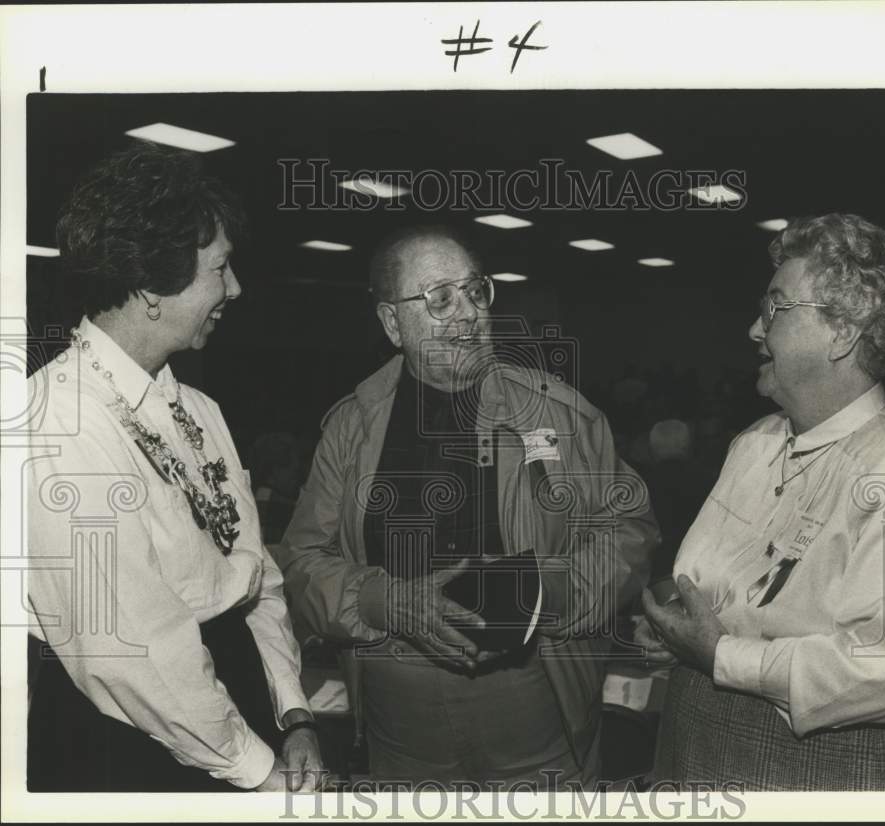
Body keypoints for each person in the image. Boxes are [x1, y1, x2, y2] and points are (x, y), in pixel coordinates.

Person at [274, 225, 658, 789]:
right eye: (439, 298)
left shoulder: (561, 414)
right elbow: (300, 561)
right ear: (391, 323)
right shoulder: (351, 428)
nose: (468, 313)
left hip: (534, 702)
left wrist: (554, 589)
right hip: (399, 720)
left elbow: (630, 535)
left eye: (476, 290)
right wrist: (388, 602)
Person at [638, 213, 885, 791]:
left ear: (842, 331)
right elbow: (731, 586)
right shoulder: (756, 443)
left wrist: (721, 655)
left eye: (775, 307)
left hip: (836, 772)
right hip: (702, 748)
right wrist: (678, 626)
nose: (753, 329)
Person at [26, 143, 323, 792]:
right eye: (220, 268)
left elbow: (254, 574)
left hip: (230, 716)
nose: (236, 289)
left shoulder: (201, 410)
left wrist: (292, 710)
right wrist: (255, 767)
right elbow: (130, 649)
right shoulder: (56, 422)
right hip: (133, 746)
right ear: (151, 283)